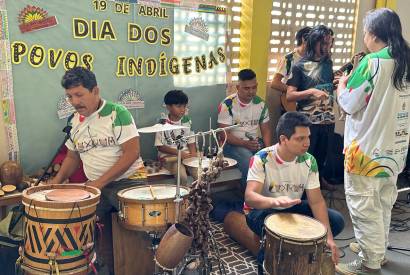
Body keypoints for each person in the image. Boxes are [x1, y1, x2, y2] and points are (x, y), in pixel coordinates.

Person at [336, 8, 410, 275]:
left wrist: (342, 85)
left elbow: (348, 103)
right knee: (382, 202)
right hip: (395, 151)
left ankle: (369, 262)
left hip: (366, 152)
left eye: (365, 31)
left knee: (363, 205)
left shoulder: (372, 63)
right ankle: (378, 249)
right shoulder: (406, 60)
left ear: (373, 34)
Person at [245, 112, 344, 268]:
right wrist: (274, 201)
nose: (307, 143)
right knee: (275, 236)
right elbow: (250, 197)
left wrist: (328, 237)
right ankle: (266, 267)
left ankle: (304, 255)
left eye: (308, 137)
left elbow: (317, 202)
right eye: (300, 139)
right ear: (284, 139)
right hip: (262, 210)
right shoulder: (262, 158)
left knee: (336, 221)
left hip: (291, 207)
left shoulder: (309, 161)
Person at [50, 66, 147, 217]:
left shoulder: (118, 113)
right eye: (69, 96)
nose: (74, 102)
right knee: (81, 225)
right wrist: (56, 182)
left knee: (135, 230)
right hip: (95, 185)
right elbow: (72, 157)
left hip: (128, 182)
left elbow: (132, 153)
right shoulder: (74, 121)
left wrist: (100, 183)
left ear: (95, 91)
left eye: (79, 94)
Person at [286, 25, 336, 191]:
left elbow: (325, 88)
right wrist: (311, 92)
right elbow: (290, 95)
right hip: (309, 122)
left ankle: (317, 186)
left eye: (329, 43)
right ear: (314, 42)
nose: (327, 48)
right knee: (306, 158)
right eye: (324, 43)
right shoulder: (299, 66)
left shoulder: (328, 63)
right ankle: (301, 193)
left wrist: (335, 85)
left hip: (328, 119)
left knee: (322, 157)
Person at [218, 68, 272, 190]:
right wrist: (245, 144)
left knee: (270, 162)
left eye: (254, 87)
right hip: (232, 145)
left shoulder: (261, 104)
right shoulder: (227, 104)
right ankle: (250, 199)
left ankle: (268, 196)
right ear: (238, 87)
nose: (251, 91)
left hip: (254, 142)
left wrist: (269, 150)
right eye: (246, 88)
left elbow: (266, 130)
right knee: (251, 163)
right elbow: (223, 135)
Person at [155, 90, 197, 185]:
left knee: (200, 174)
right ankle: (182, 198)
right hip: (169, 157)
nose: (182, 109)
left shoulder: (187, 120)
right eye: (178, 106)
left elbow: (191, 140)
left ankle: (199, 196)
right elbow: (160, 146)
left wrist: (193, 155)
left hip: (186, 155)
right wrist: (179, 153)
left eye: (184, 106)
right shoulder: (162, 122)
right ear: (168, 107)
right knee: (182, 176)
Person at [270, 26, 312, 113]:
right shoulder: (289, 59)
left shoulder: (315, 59)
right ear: (304, 39)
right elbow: (275, 83)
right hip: (291, 105)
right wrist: (296, 92)